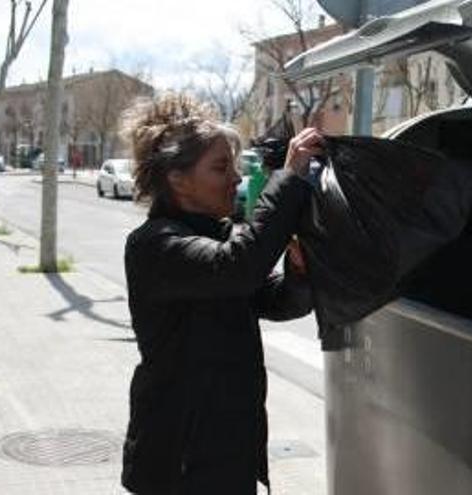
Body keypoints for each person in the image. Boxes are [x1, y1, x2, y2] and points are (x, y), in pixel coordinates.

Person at [118, 93, 323, 494]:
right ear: (177, 179)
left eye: (233, 166)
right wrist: (289, 178)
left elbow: (279, 301)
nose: (235, 178)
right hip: (177, 463)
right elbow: (238, 269)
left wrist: (298, 274)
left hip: (227, 453)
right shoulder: (155, 244)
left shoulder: (220, 238)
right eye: (219, 167)